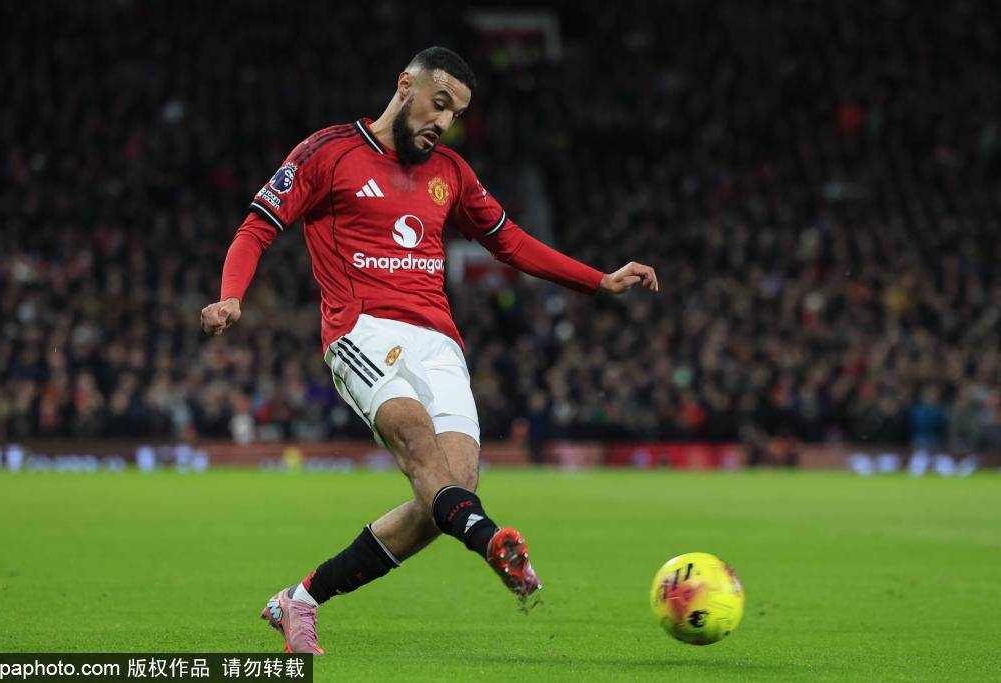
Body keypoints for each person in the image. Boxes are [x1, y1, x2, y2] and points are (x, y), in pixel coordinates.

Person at [200, 47, 659, 655]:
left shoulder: (453, 173)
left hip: (440, 343)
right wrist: (231, 295)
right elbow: (258, 225)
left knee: (449, 490)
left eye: (456, 114)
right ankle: (491, 541)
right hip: (362, 331)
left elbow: (510, 242)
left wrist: (598, 280)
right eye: (439, 104)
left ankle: (302, 598)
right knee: (424, 455)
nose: (444, 122)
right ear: (404, 86)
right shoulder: (327, 152)